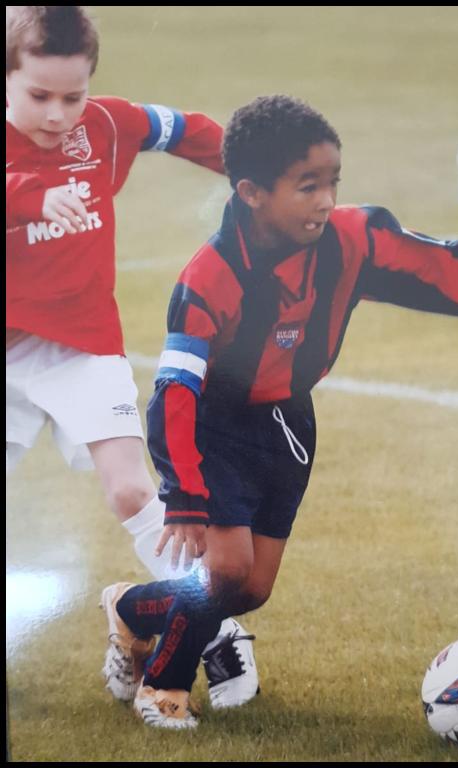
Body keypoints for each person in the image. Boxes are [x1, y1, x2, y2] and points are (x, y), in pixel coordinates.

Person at [101, 93, 458, 729]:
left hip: (288, 424)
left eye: (332, 182)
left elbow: (446, 270)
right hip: (211, 425)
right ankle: (164, 688)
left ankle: (133, 612)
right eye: (307, 186)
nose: (325, 199)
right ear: (251, 193)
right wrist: (184, 492)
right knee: (227, 566)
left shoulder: (355, 239)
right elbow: (173, 392)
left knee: (251, 588)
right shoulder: (209, 278)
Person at [5, 5, 258, 709]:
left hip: (80, 341)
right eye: (38, 96)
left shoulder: (106, 125)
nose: (58, 114)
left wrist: (258, 173)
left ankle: (214, 625)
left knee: (131, 489)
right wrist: (31, 195)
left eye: (72, 95)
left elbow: (184, 129)